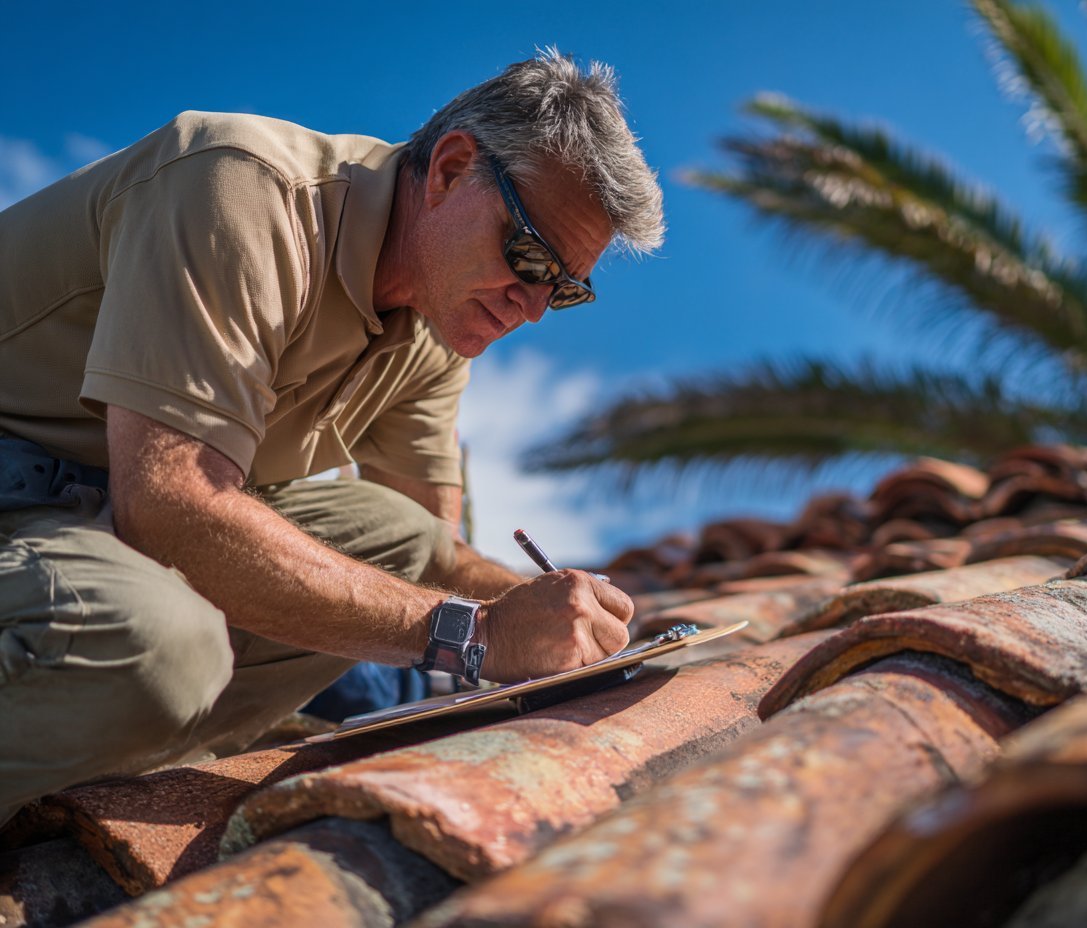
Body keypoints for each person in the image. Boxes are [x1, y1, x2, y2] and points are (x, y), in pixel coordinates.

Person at [0, 49, 664, 823]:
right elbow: (170, 504)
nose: (535, 307)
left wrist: (564, 620)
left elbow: (434, 555)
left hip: (88, 517)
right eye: (528, 257)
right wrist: (479, 633)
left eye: (567, 288)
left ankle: (80, 761)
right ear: (450, 169)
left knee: (396, 541)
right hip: (46, 491)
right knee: (154, 643)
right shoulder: (241, 190)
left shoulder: (436, 327)